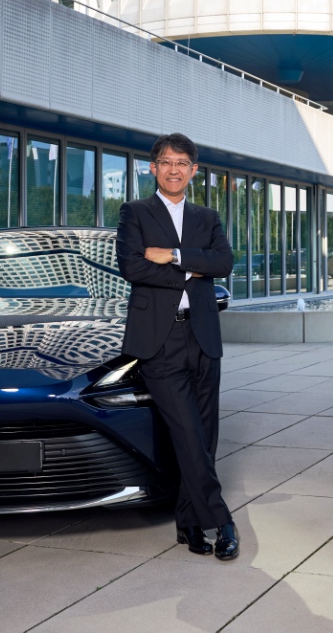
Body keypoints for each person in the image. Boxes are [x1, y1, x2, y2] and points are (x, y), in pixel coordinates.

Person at [116, 133, 239, 560]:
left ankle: (188, 525)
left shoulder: (208, 217)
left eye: (182, 163)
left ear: (193, 171)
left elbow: (223, 263)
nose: (174, 169)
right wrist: (192, 270)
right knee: (187, 433)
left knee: (204, 438)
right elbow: (131, 265)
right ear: (153, 168)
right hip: (160, 341)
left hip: (203, 337)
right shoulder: (135, 212)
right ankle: (220, 520)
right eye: (166, 162)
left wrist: (171, 256)